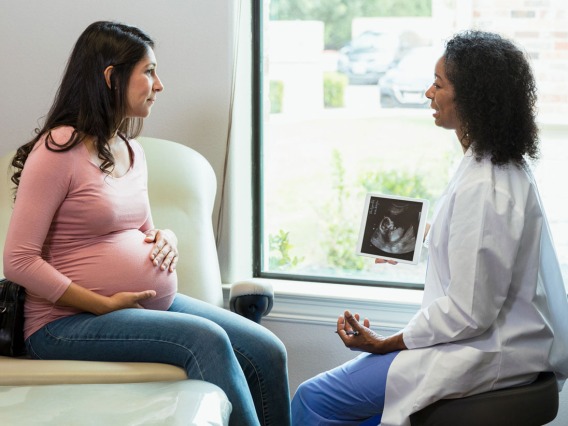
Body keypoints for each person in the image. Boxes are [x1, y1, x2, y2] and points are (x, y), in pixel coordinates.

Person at [3, 21, 290, 426]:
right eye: (149, 71)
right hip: (63, 323)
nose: (159, 85)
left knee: (267, 349)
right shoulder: (57, 150)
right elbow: (18, 260)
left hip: (144, 304)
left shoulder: (130, 150)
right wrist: (101, 304)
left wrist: (166, 237)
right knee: (205, 340)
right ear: (111, 77)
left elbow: (141, 230)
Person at [291, 30, 568, 426]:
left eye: (438, 85)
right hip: (496, 343)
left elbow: (469, 312)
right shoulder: (498, 165)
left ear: (471, 98)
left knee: (312, 399)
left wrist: (387, 342)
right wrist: (416, 243)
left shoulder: (484, 185)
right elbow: (481, 252)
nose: (427, 93)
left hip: (485, 351)